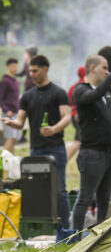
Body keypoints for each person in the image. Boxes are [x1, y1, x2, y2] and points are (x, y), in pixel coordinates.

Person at [4, 54, 73, 234]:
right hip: (36, 149)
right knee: (36, 190)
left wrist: (54, 129)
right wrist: (13, 124)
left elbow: (67, 116)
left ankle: (64, 230)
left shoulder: (58, 92)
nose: (31, 75)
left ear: (45, 69)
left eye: (35, 71)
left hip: (56, 147)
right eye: (30, 71)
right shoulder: (27, 96)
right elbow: (21, 121)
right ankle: (40, 229)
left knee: (59, 190)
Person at [73, 54, 111, 233]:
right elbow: (94, 95)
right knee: (85, 198)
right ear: (93, 68)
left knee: (105, 200)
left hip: (110, 153)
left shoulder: (106, 92)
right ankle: (73, 239)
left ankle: (99, 239)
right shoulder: (80, 90)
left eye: (108, 68)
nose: (107, 71)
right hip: (92, 153)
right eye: (104, 68)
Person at [67, 65, 87, 163]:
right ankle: (65, 160)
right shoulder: (85, 86)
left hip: (73, 116)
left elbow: (67, 102)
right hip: (79, 116)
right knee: (78, 140)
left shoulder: (73, 87)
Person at [1, 58, 21, 153]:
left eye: (16, 66)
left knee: (14, 139)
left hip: (16, 113)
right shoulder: (5, 81)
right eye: (13, 66)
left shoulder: (16, 81)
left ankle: (11, 160)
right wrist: (6, 109)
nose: (15, 68)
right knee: (10, 137)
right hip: (8, 114)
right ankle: (3, 161)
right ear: (8, 67)